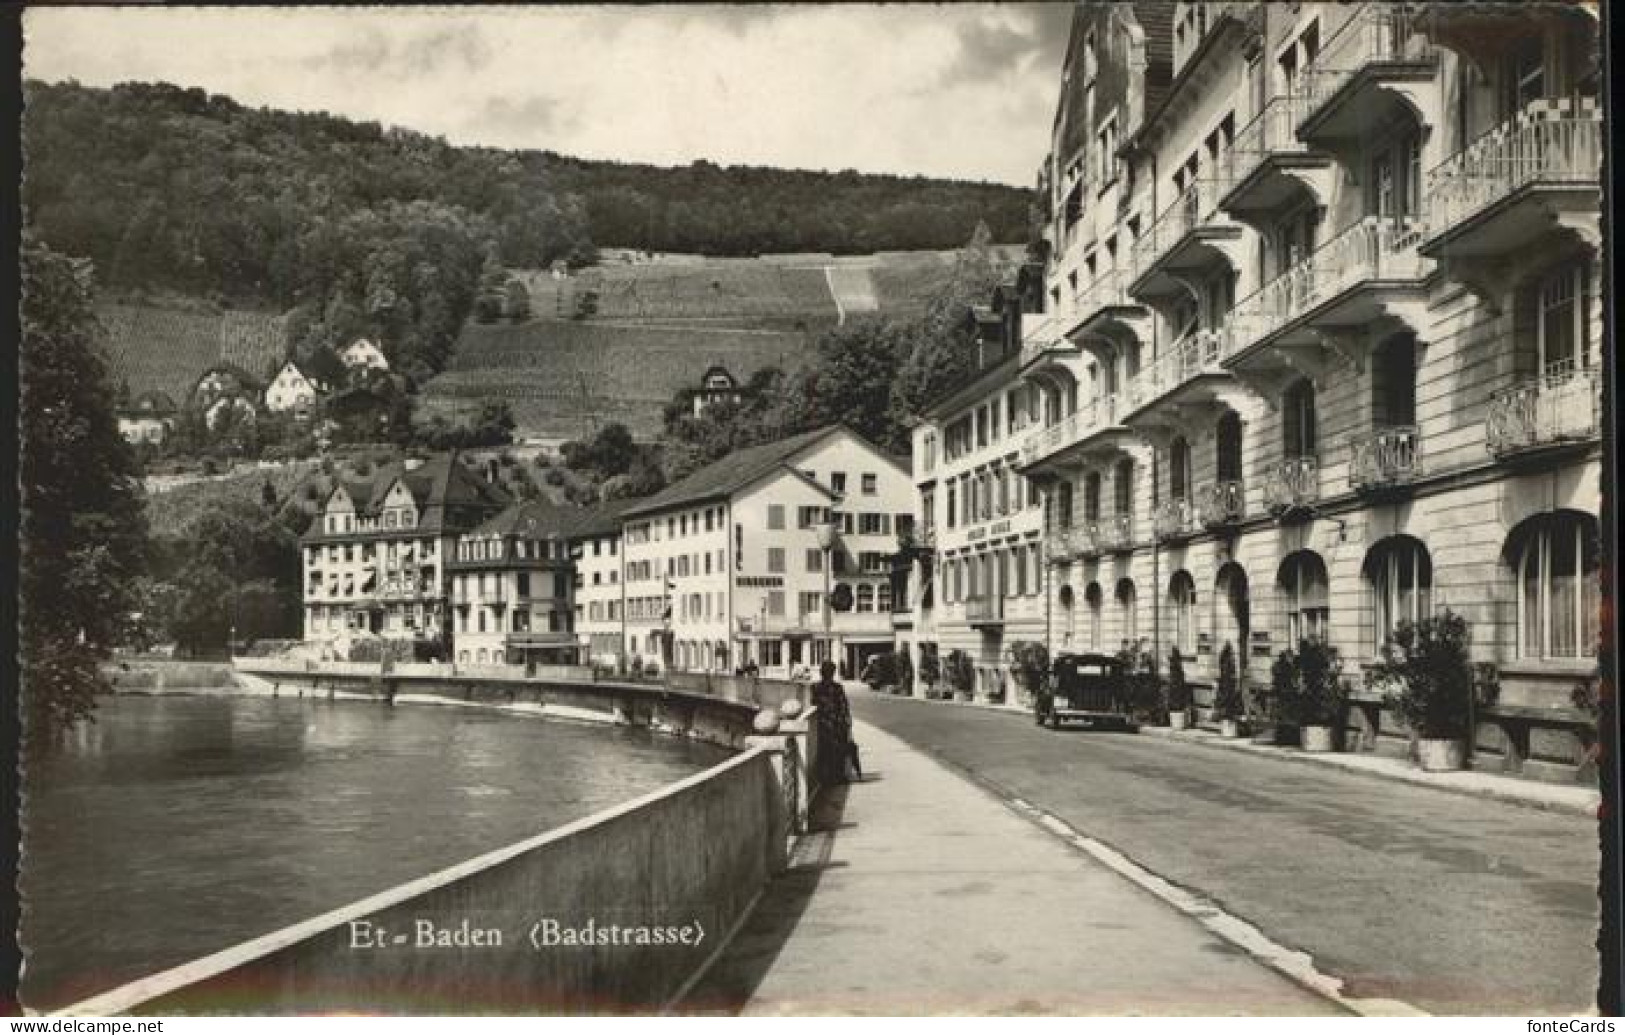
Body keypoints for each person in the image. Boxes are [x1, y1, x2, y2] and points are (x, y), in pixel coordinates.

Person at [811, 660, 861, 784]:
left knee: (833, 751)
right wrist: (845, 721)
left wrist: (845, 721)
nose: (829, 674)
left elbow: (843, 705)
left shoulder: (818, 688)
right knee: (834, 752)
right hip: (830, 724)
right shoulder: (825, 688)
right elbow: (843, 706)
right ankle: (833, 776)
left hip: (830, 724)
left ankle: (833, 777)